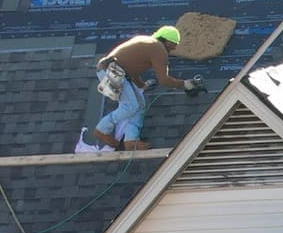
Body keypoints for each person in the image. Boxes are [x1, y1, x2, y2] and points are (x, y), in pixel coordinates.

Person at [76, 25, 200, 153]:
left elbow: (131, 69)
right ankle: (102, 131)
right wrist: (184, 84)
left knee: (140, 106)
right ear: (167, 42)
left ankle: (130, 141)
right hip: (113, 71)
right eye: (174, 44)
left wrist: (142, 85)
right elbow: (164, 80)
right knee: (130, 106)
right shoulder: (158, 48)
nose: (175, 48)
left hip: (115, 70)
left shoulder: (146, 42)